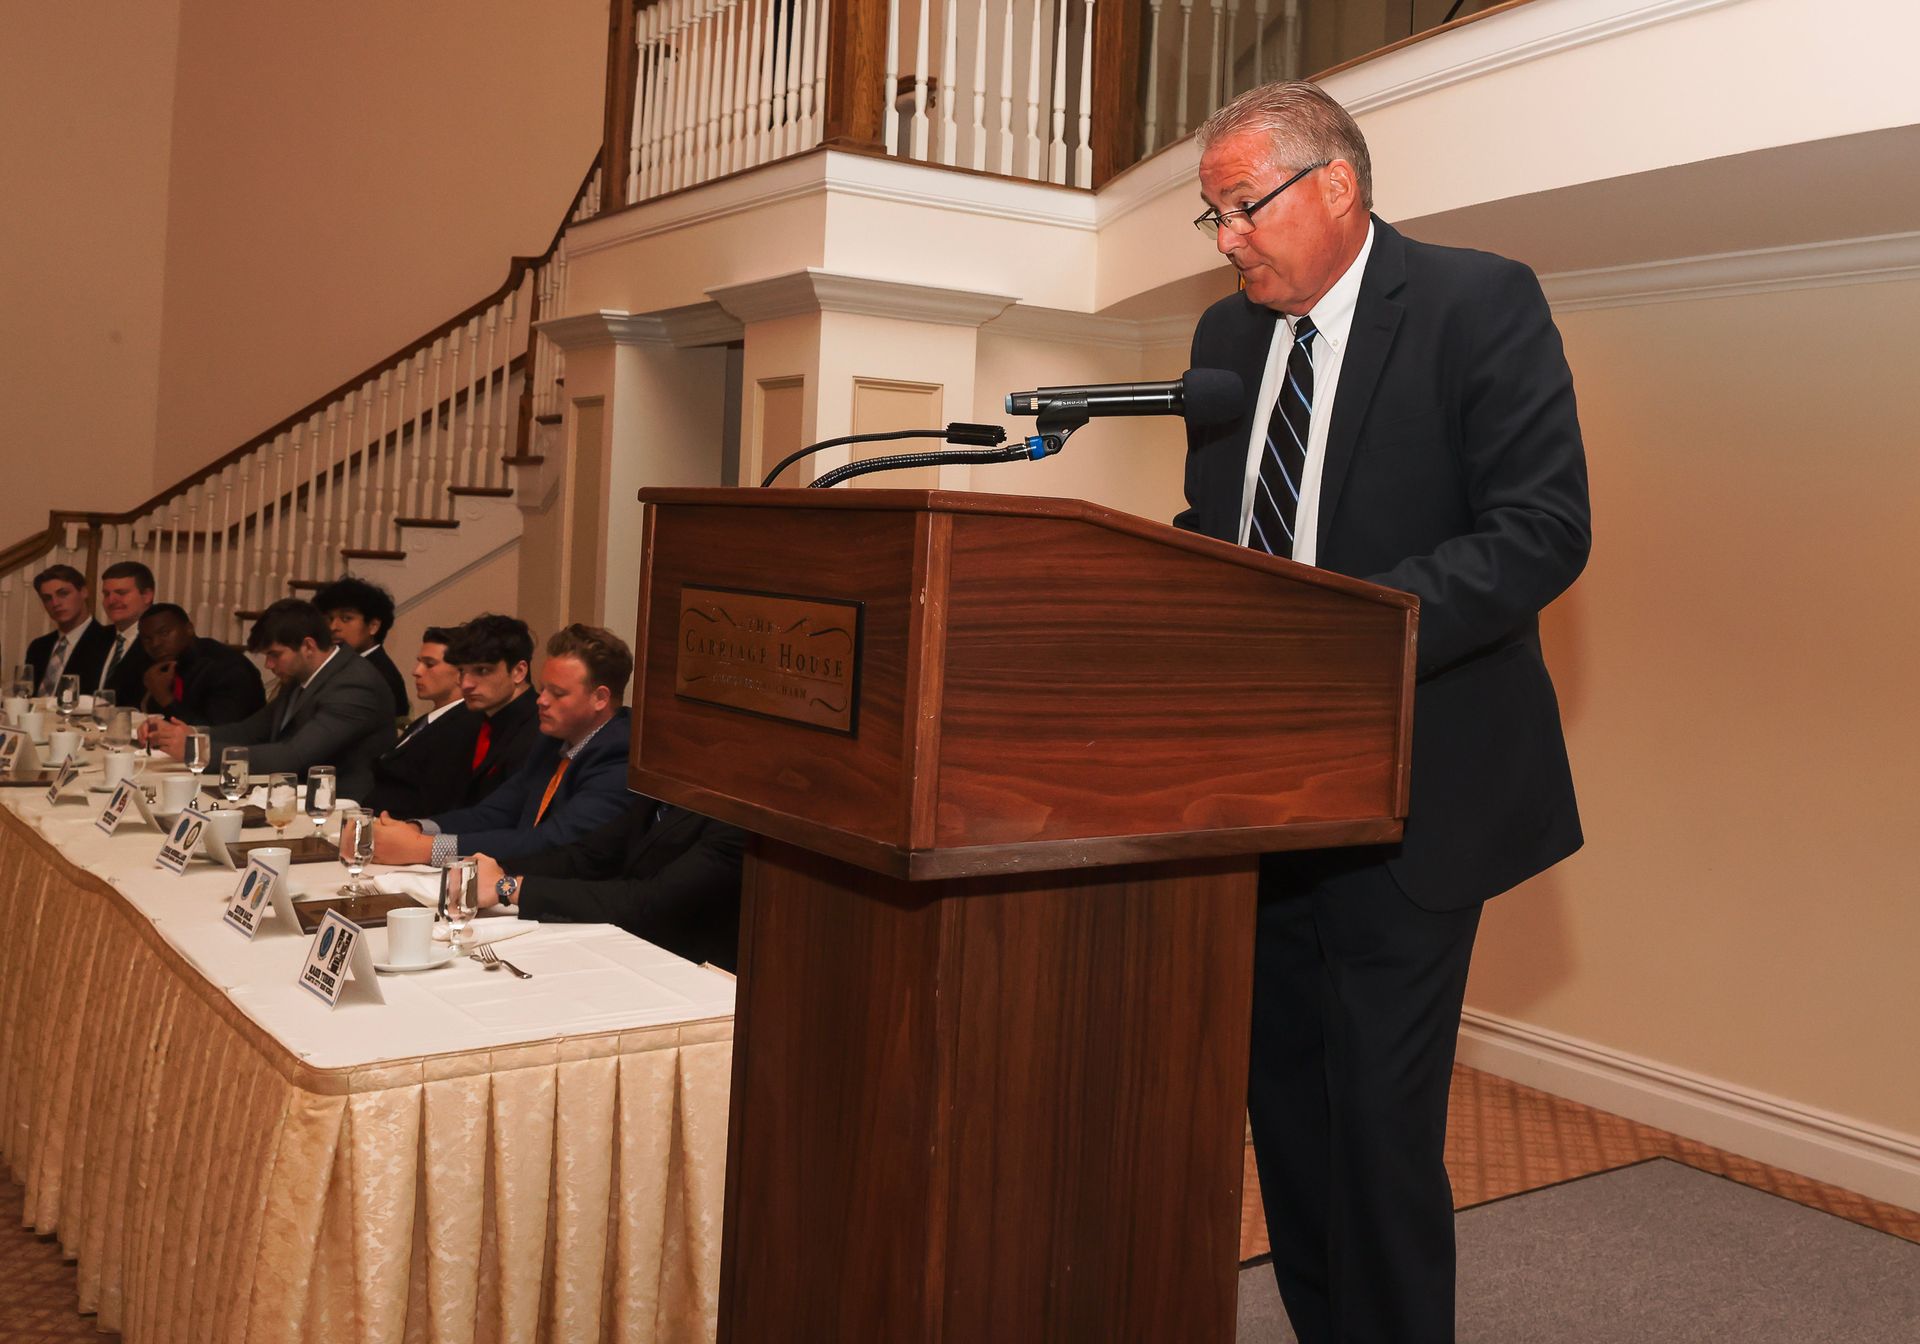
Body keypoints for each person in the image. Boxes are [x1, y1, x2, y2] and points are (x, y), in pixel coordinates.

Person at [1179, 83, 1590, 1344]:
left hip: (1413, 791)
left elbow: (1540, 531)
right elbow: (1219, 533)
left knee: (1378, 1130)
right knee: (1289, 1123)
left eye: (1242, 208)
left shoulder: (1479, 303)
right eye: (1213, 217)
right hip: (1256, 801)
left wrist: (1338, 630)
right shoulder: (1228, 336)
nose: (1227, 238)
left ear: (1335, 187)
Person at [371, 624, 634, 864]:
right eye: (543, 689)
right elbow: (495, 812)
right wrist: (417, 829)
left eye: (558, 693)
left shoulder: (620, 755)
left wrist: (426, 848)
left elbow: (553, 839)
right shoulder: (552, 740)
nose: (541, 700)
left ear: (600, 698)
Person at [145, 598, 394, 799]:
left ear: (308, 646)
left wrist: (199, 752)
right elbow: (251, 730)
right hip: (294, 795)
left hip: (339, 807)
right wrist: (192, 735)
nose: (269, 664)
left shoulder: (354, 685)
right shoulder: (304, 674)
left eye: (275, 655)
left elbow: (293, 756)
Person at [471, 801, 747, 970]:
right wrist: (496, 871)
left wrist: (508, 887)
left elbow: (650, 903)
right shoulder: (662, 792)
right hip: (629, 946)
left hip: (693, 971)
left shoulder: (737, 815)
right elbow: (589, 855)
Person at [362, 626, 477, 817]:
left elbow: (434, 798)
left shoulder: (461, 725)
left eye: (429, 664)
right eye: (419, 662)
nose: (416, 671)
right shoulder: (432, 718)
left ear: (461, 673)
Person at [444, 613, 541, 799]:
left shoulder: (541, 728)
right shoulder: (462, 719)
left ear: (519, 671)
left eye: (482, 670)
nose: (465, 684)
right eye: (462, 671)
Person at [137, 603, 267, 726]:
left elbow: (213, 732)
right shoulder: (164, 664)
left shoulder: (226, 669)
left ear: (189, 629)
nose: (155, 644)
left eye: (164, 633)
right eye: (147, 639)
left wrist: (164, 697)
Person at [312, 575, 410, 718]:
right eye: (330, 619)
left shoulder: (378, 675)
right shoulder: (343, 664)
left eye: (346, 618)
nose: (333, 627)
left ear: (373, 626)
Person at [26, 564, 113, 695]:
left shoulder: (108, 641)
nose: (55, 603)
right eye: (47, 598)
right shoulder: (38, 647)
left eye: (63, 593)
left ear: (84, 592)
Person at [95, 560, 156, 703]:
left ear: (147, 595)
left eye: (121, 593)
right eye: (106, 594)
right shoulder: (97, 639)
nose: (111, 600)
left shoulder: (158, 643)